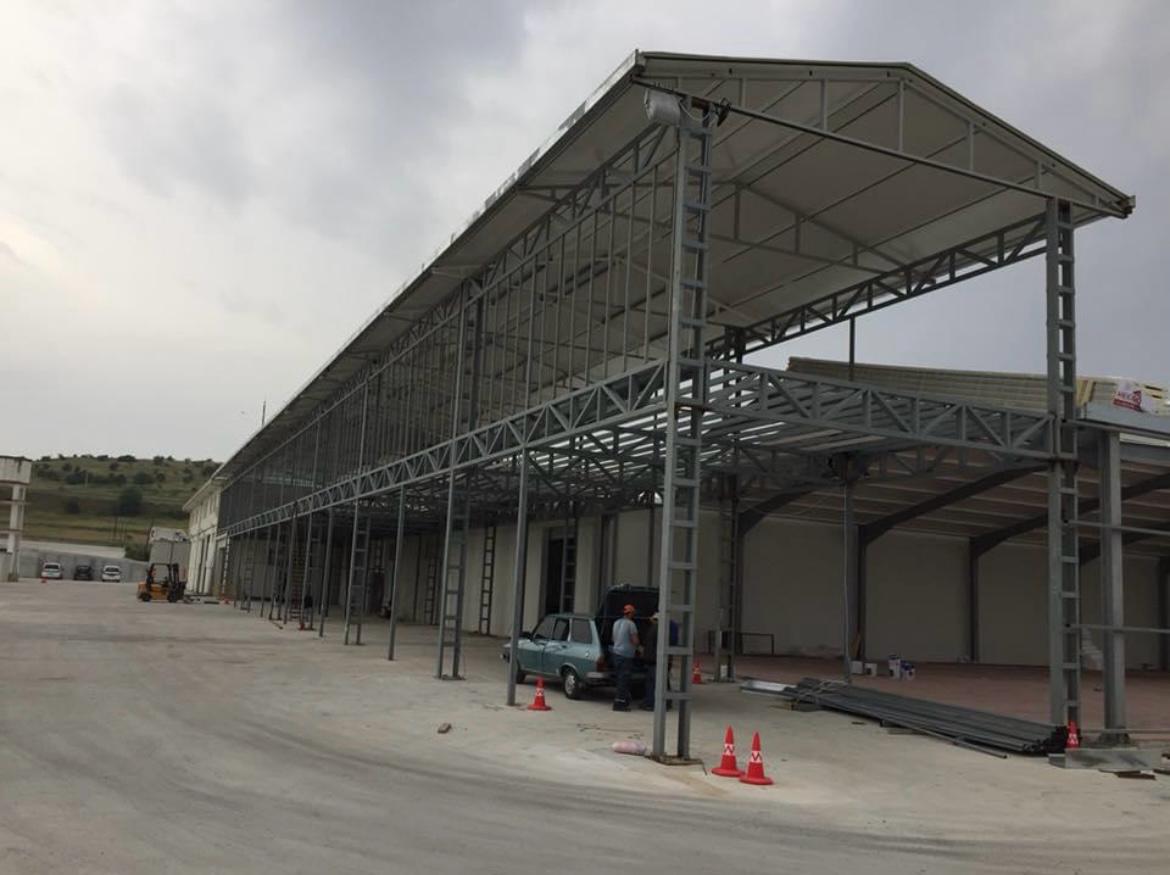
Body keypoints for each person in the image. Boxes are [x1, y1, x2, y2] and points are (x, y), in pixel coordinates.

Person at [610, 603, 639, 711]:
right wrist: (639, 647)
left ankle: (622, 701)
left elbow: (613, 639)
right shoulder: (631, 624)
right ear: (630, 613)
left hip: (616, 654)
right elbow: (635, 640)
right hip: (626, 656)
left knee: (619, 679)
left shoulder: (616, 623)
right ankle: (620, 704)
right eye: (633, 613)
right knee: (624, 680)